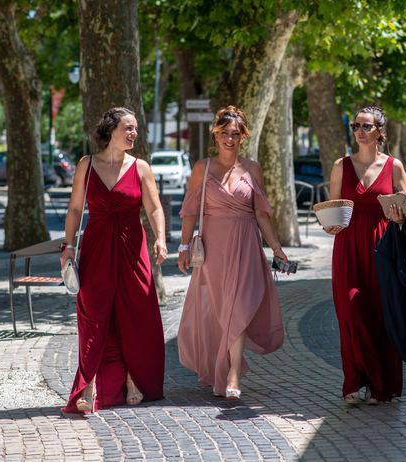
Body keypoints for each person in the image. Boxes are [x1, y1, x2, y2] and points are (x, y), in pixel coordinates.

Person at [60, 107, 168, 414]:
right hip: (95, 250)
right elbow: (75, 209)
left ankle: (134, 379)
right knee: (93, 315)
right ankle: (88, 385)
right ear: (111, 130)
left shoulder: (141, 167)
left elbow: (155, 208)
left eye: (135, 129)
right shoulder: (87, 165)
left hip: (133, 251)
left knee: (136, 313)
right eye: (129, 128)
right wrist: (68, 246)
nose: (134, 133)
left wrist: (160, 238)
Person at [177, 105, 286, 400]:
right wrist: (185, 246)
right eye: (224, 133)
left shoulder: (252, 169)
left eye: (235, 134)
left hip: (247, 245)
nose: (230, 138)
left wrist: (276, 248)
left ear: (243, 137)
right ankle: (216, 367)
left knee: (238, 308)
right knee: (216, 311)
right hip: (213, 248)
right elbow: (189, 212)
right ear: (216, 134)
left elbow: (262, 214)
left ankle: (233, 375)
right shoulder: (203, 167)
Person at [325, 106, 406, 405]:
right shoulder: (340, 166)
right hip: (347, 248)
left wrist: (400, 217)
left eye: (367, 126)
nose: (360, 130)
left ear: (380, 132)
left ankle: (376, 384)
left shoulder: (395, 167)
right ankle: (354, 380)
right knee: (351, 312)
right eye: (356, 125)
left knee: (380, 316)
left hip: (382, 248)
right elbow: (335, 210)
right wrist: (330, 225)